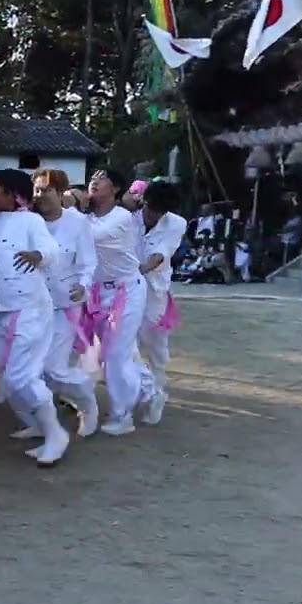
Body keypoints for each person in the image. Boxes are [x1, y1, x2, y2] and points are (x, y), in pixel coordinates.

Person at [0, 169, 69, 466]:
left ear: (14, 195)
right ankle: (38, 423)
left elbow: (52, 248)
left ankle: (56, 434)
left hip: (30, 309)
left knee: (21, 376)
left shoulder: (31, 220)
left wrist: (39, 255)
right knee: (8, 375)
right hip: (0, 310)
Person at [31, 168, 99, 437]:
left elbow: (88, 261)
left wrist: (83, 285)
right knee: (30, 370)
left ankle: (87, 403)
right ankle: (39, 422)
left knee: (53, 368)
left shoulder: (77, 222)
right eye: (36, 190)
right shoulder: (29, 222)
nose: (40, 195)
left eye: (45, 190)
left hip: (64, 305)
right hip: (32, 306)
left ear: (60, 193)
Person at [85, 167, 150, 435]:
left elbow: (91, 237)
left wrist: (71, 208)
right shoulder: (86, 218)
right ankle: (149, 390)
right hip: (101, 294)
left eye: (101, 179)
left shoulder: (122, 217)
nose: (94, 183)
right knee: (118, 352)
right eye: (92, 179)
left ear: (115, 189)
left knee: (115, 355)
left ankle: (122, 415)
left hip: (128, 290)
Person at [135, 181, 188, 425]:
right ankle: (145, 392)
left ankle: (157, 392)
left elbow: (161, 254)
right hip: (125, 289)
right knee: (122, 342)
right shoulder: (129, 215)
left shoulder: (176, 223)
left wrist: (140, 269)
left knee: (155, 344)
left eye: (161, 212)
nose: (155, 216)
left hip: (155, 290)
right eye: (152, 209)